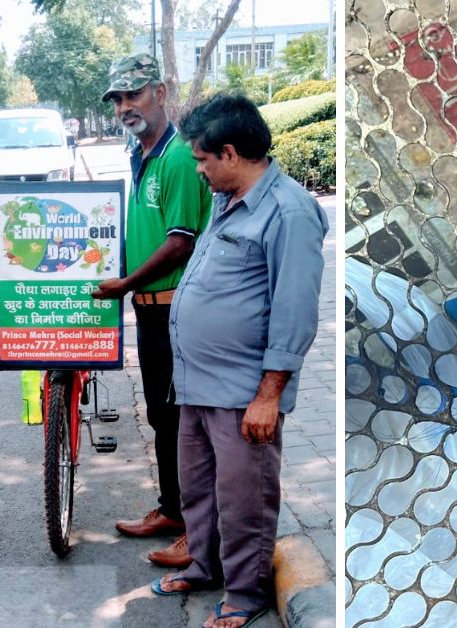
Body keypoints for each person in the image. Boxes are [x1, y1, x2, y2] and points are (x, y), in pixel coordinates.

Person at [157, 93, 327, 628]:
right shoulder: (226, 199)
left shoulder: (290, 212)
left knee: (244, 498)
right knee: (199, 489)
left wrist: (269, 395)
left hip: (243, 393)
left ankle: (246, 593)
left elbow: (295, 311)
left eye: (203, 159)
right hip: (197, 384)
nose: (199, 169)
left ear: (230, 153)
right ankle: (205, 565)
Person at [91, 52, 213, 569]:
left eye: (133, 94)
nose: (124, 106)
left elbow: (181, 241)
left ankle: (195, 528)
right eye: (117, 98)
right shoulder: (141, 154)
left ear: (160, 93)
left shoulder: (181, 157)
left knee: (185, 419)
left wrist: (125, 283)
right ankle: (171, 510)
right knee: (163, 416)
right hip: (148, 310)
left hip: (175, 310)